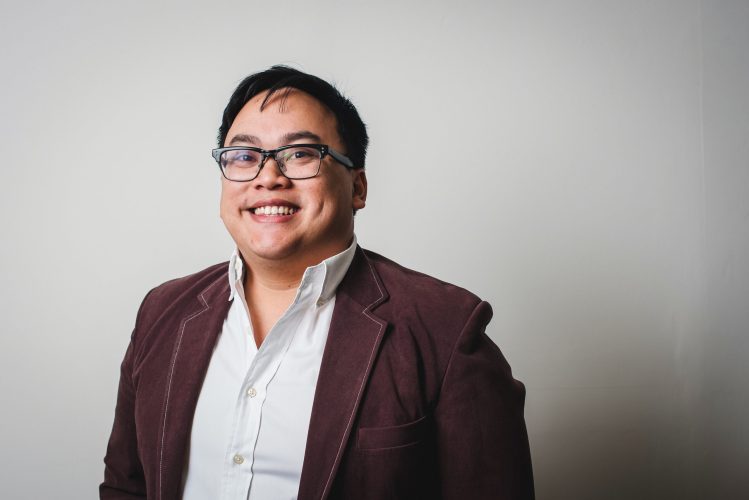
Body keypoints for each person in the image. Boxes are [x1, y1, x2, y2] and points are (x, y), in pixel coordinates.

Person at [100, 65, 534, 500]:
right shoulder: (162, 311)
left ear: (358, 188)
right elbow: (125, 487)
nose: (268, 177)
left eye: (301, 154)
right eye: (245, 156)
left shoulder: (446, 330)